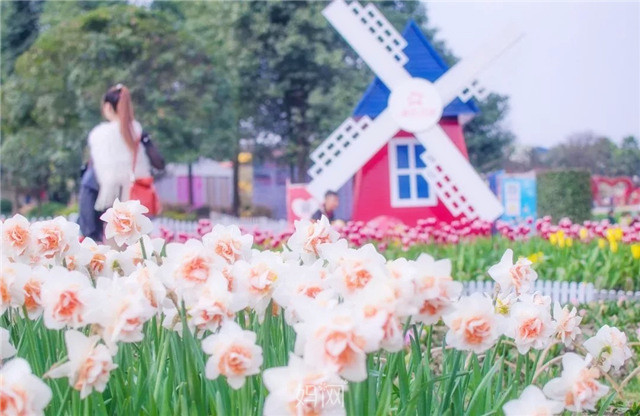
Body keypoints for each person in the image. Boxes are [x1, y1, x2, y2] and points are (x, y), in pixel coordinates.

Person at [78, 84, 152, 240]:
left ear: (108, 107)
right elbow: (152, 164)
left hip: (103, 199)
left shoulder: (100, 133)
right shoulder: (136, 130)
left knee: (104, 243)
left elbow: (100, 172)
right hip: (131, 201)